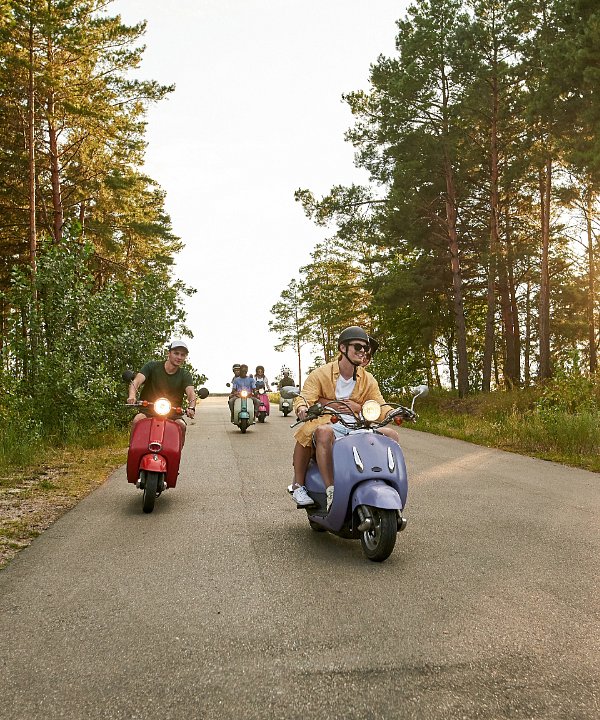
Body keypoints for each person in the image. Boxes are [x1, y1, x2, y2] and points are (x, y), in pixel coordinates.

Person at [290, 327, 397, 511]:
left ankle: (386, 483)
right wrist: (302, 407)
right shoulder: (321, 374)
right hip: (327, 422)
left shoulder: (368, 379)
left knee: (391, 435)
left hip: (357, 423)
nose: (363, 351)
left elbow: (380, 404)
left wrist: (393, 413)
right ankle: (329, 489)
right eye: (358, 347)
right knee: (321, 433)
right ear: (342, 348)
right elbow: (305, 397)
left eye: (365, 348)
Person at [127, 339, 197, 446]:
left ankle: (176, 455)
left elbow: (191, 393)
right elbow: (136, 381)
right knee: (137, 420)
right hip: (148, 410)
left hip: (173, 413)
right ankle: (132, 451)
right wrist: (132, 396)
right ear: (168, 353)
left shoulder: (185, 375)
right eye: (176, 353)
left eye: (182, 355)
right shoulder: (152, 366)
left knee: (181, 425)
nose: (179, 357)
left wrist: (191, 407)